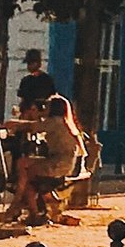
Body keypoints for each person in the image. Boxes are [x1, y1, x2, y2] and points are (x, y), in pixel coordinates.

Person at [7, 92, 86, 221]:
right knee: (25, 167)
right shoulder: (65, 123)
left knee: (26, 171)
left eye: (47, 107)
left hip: (59, 163)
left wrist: (12, 124)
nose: (44, 109)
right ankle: (28, 206)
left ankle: (21, 203)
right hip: (63, 162)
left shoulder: (55, 122)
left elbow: (32, 127)